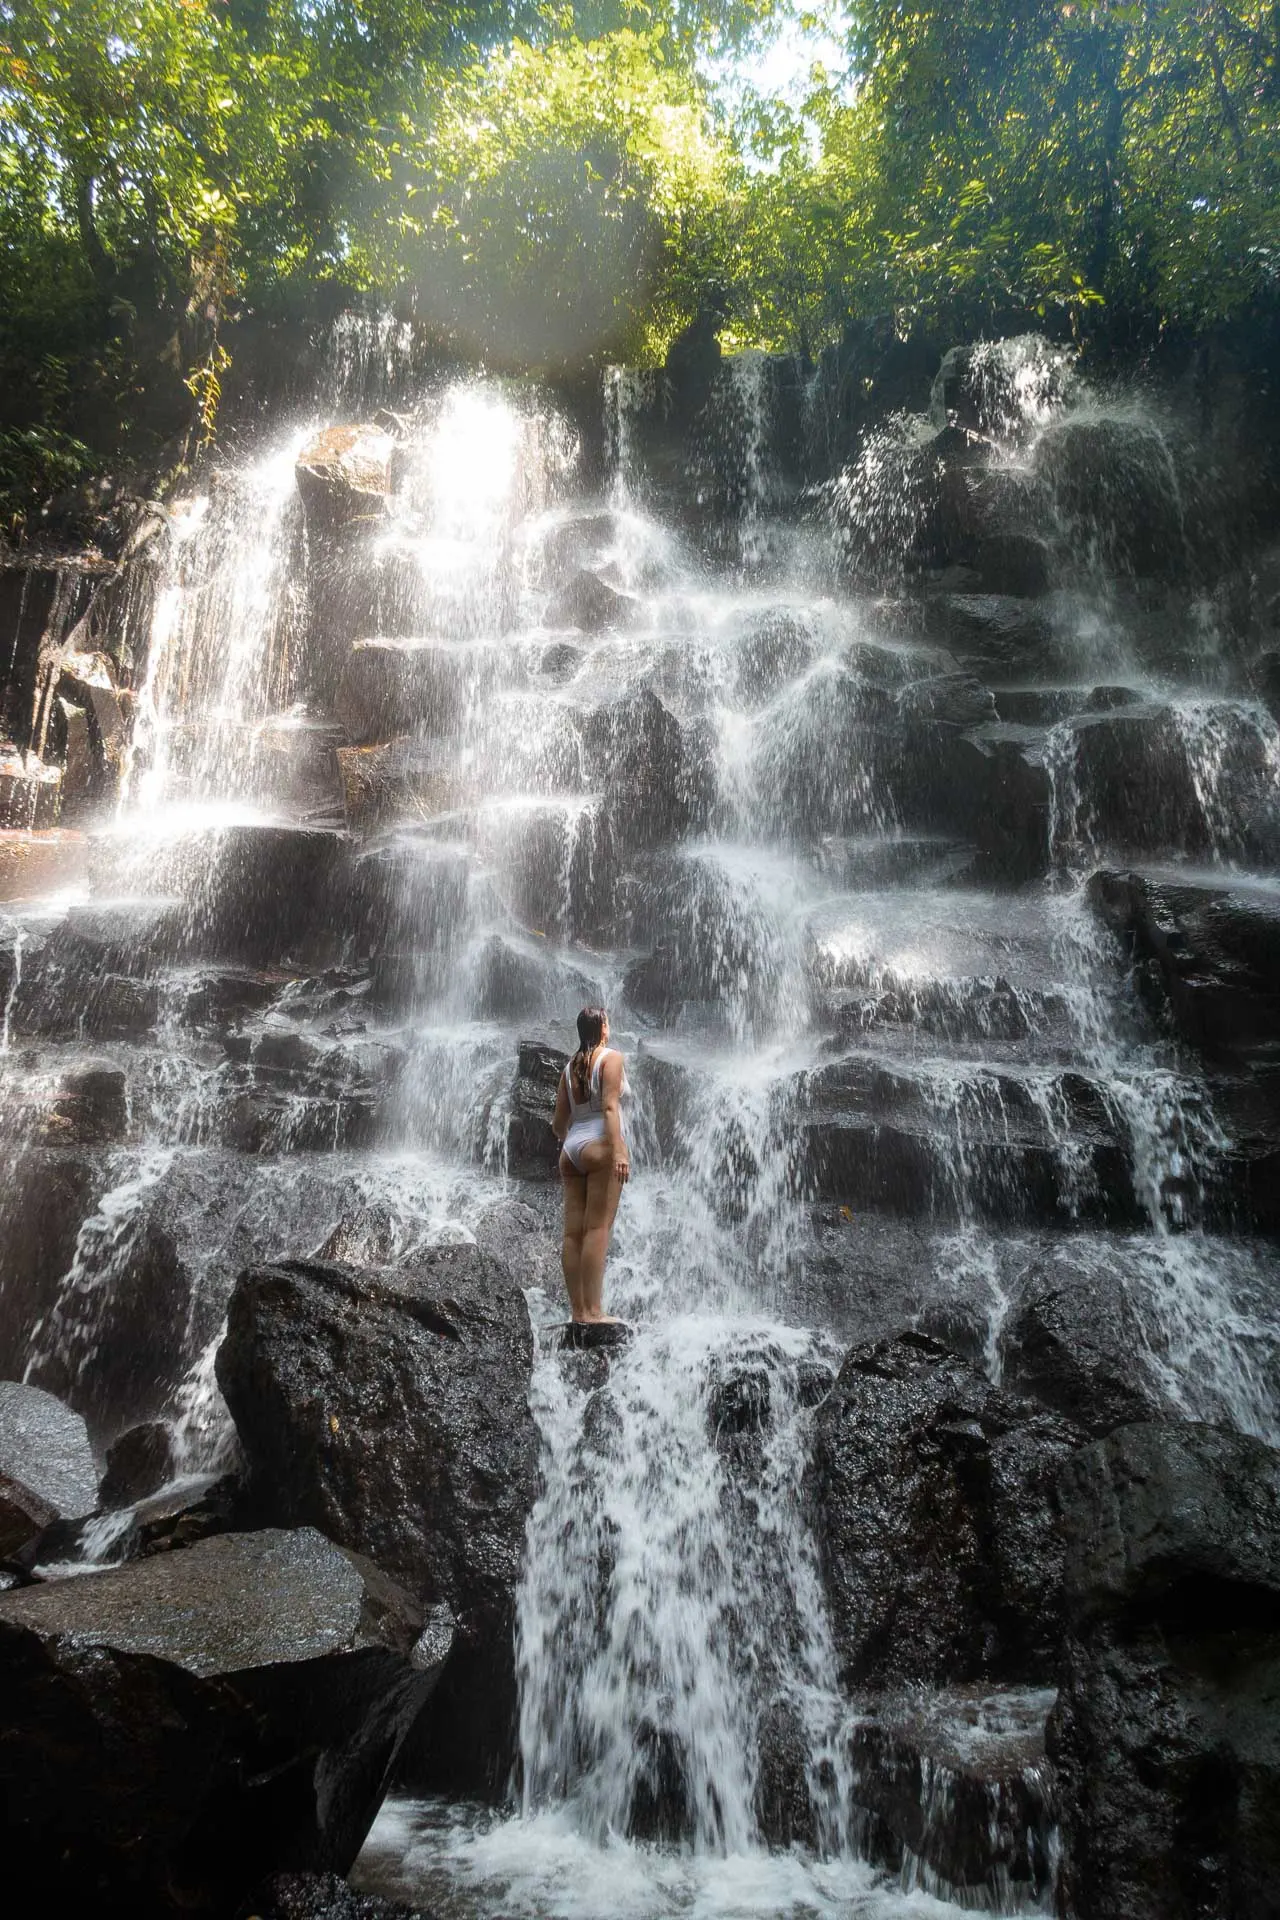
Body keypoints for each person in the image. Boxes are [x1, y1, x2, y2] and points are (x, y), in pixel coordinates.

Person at [552, 1006, 630, 1324]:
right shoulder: (611, 1058)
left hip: (570, 1151)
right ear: (601, 1028)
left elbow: (558, 1123)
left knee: (573, 1235)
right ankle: (595, 1312)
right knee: (597, 1229)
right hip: (600, 1144)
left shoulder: (570, 1068)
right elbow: (610, 1107)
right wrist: (619, 1150)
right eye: (607, 1022)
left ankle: (577, 1312)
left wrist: (573, 1142)